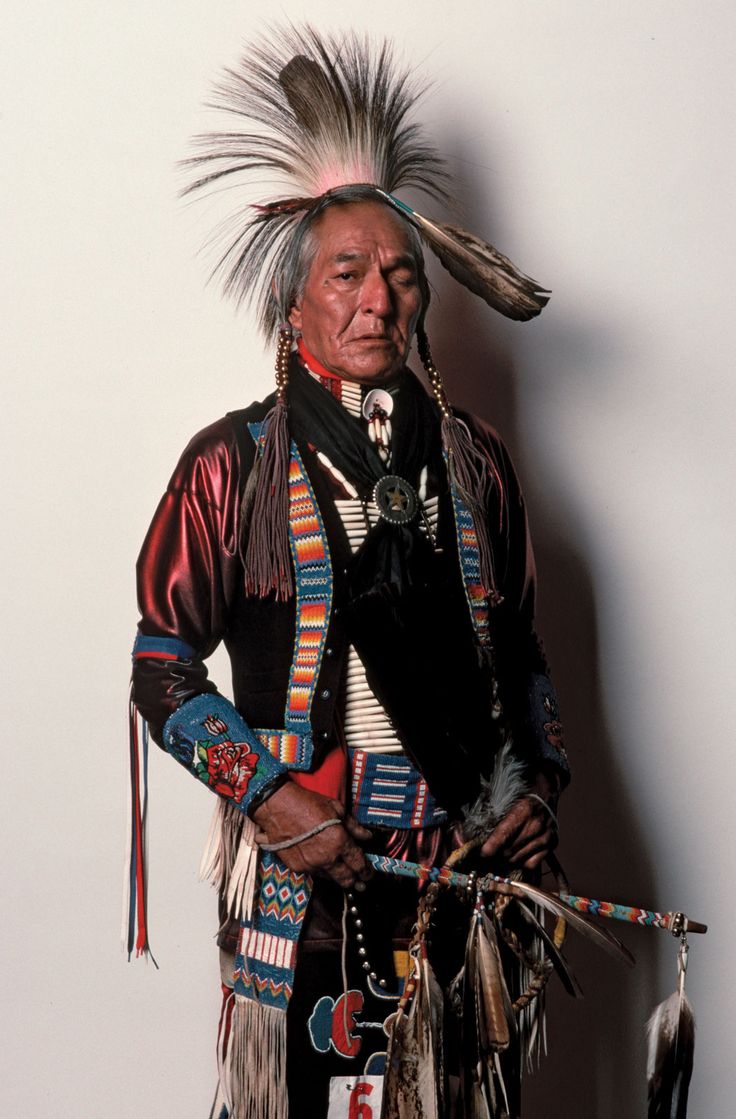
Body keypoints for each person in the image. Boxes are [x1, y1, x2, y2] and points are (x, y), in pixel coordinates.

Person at [127, 27, 569, 1119]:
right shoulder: (233, 464)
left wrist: (533, 789)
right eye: (348, 272)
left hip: (460, 864)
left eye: (401, 275)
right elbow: (162, 667)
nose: (379, 298)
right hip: (307, 863)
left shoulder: (472, 461)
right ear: (294, 303)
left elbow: (520, 652)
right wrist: (271, 799)